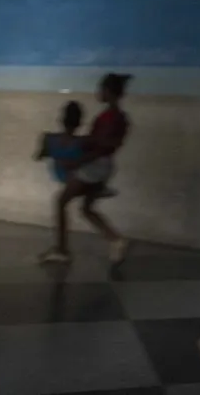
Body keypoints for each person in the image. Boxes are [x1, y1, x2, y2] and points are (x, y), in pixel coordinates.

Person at [39, 74, 133, 263]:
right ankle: (116, 240)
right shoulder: (120, 117)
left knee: (61, 201)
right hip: (104, 166)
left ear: (108, 92)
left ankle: (61, 250)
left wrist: (77, 162)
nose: (98, 92)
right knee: (86, 209)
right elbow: (107, 145)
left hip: (94, 166)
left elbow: (100, 147)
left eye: (101, 89)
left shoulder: (108, 117)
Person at [34, 100, 117, 198]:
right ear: (79, 123)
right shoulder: (82, 141)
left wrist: (53, 153)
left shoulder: (48, 138)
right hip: (74, 174)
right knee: (102, 160)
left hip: (58, 173)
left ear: (61, 120)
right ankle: (100, 187)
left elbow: (39, 156)